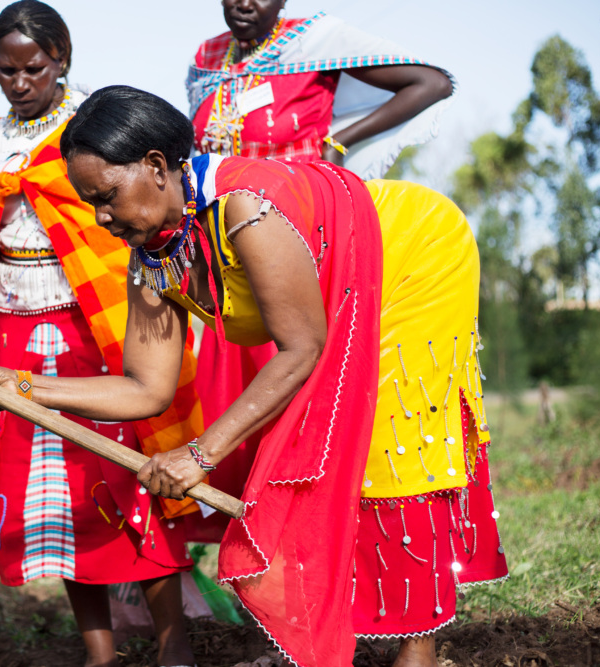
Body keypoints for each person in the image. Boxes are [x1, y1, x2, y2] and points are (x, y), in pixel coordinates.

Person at [0, 86, 507, 667]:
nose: (101, 218)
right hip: (333, 301)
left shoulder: (243, 206)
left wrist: (201, 454)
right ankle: (332, 630)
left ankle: (416, 650)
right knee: (318, 451)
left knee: (390, 446)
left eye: (108, 196)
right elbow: (146, 389)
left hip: (409, 257)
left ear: (157, 166)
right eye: (91, 202)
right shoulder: (153, 258)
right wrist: (19, 387)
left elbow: (301, 348)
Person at [186, 2, 507, 662]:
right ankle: (289, 625)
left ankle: (417, 634)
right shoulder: (204, 62)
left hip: (331, 250)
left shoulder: (316, 42)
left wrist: (341, 139)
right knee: (267, 455)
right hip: (242, 268)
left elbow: (431, 82)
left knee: (388, 438)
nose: (246, 0)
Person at [0, 4, 202, 667]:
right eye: (5, 71)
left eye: (33, 68)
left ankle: (174, 643)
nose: (20, 82)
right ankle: (98, 652)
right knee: (60, 499)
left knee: (126, 482)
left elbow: (118, 253)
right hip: (17, 341)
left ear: (63, 59)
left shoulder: (92, 140)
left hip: (97, 339)